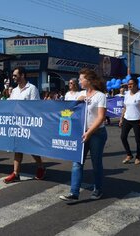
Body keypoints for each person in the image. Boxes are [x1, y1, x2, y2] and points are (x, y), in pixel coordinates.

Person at [60, 68, 107, 201]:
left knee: (96, 162)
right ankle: (74, 193)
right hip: (82, 133)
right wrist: (80, 99)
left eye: (81, 79)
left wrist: (89, 132)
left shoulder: (100, 96)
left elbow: (101, 117)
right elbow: (71, 108)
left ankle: (98, 189)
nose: (79, 81)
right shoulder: (81, 93)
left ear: (89, 80)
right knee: (77, 162)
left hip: (97, 133)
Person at [3, 66, 45, 184]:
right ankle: (16, 173)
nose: (13, 77)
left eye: (15, 75)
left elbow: (35, 107)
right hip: (17, 124)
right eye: (13, 75)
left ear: (22, 75)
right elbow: (11, 106)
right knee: (18, 148)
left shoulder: (32, 89)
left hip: (28, 124)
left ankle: (41, 167)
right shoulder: (15, 91)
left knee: (31, 148)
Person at [120, 78, 140, 165]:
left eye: (131, 84)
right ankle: (129, 154)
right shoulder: (127, 94)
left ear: (136, 84)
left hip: (137, 120)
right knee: (123, 137)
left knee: (138, 139)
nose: (129, 85)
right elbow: (125, 107)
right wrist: (121, 118)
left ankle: (138, 157)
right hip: (127, 119)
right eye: (128, 84)